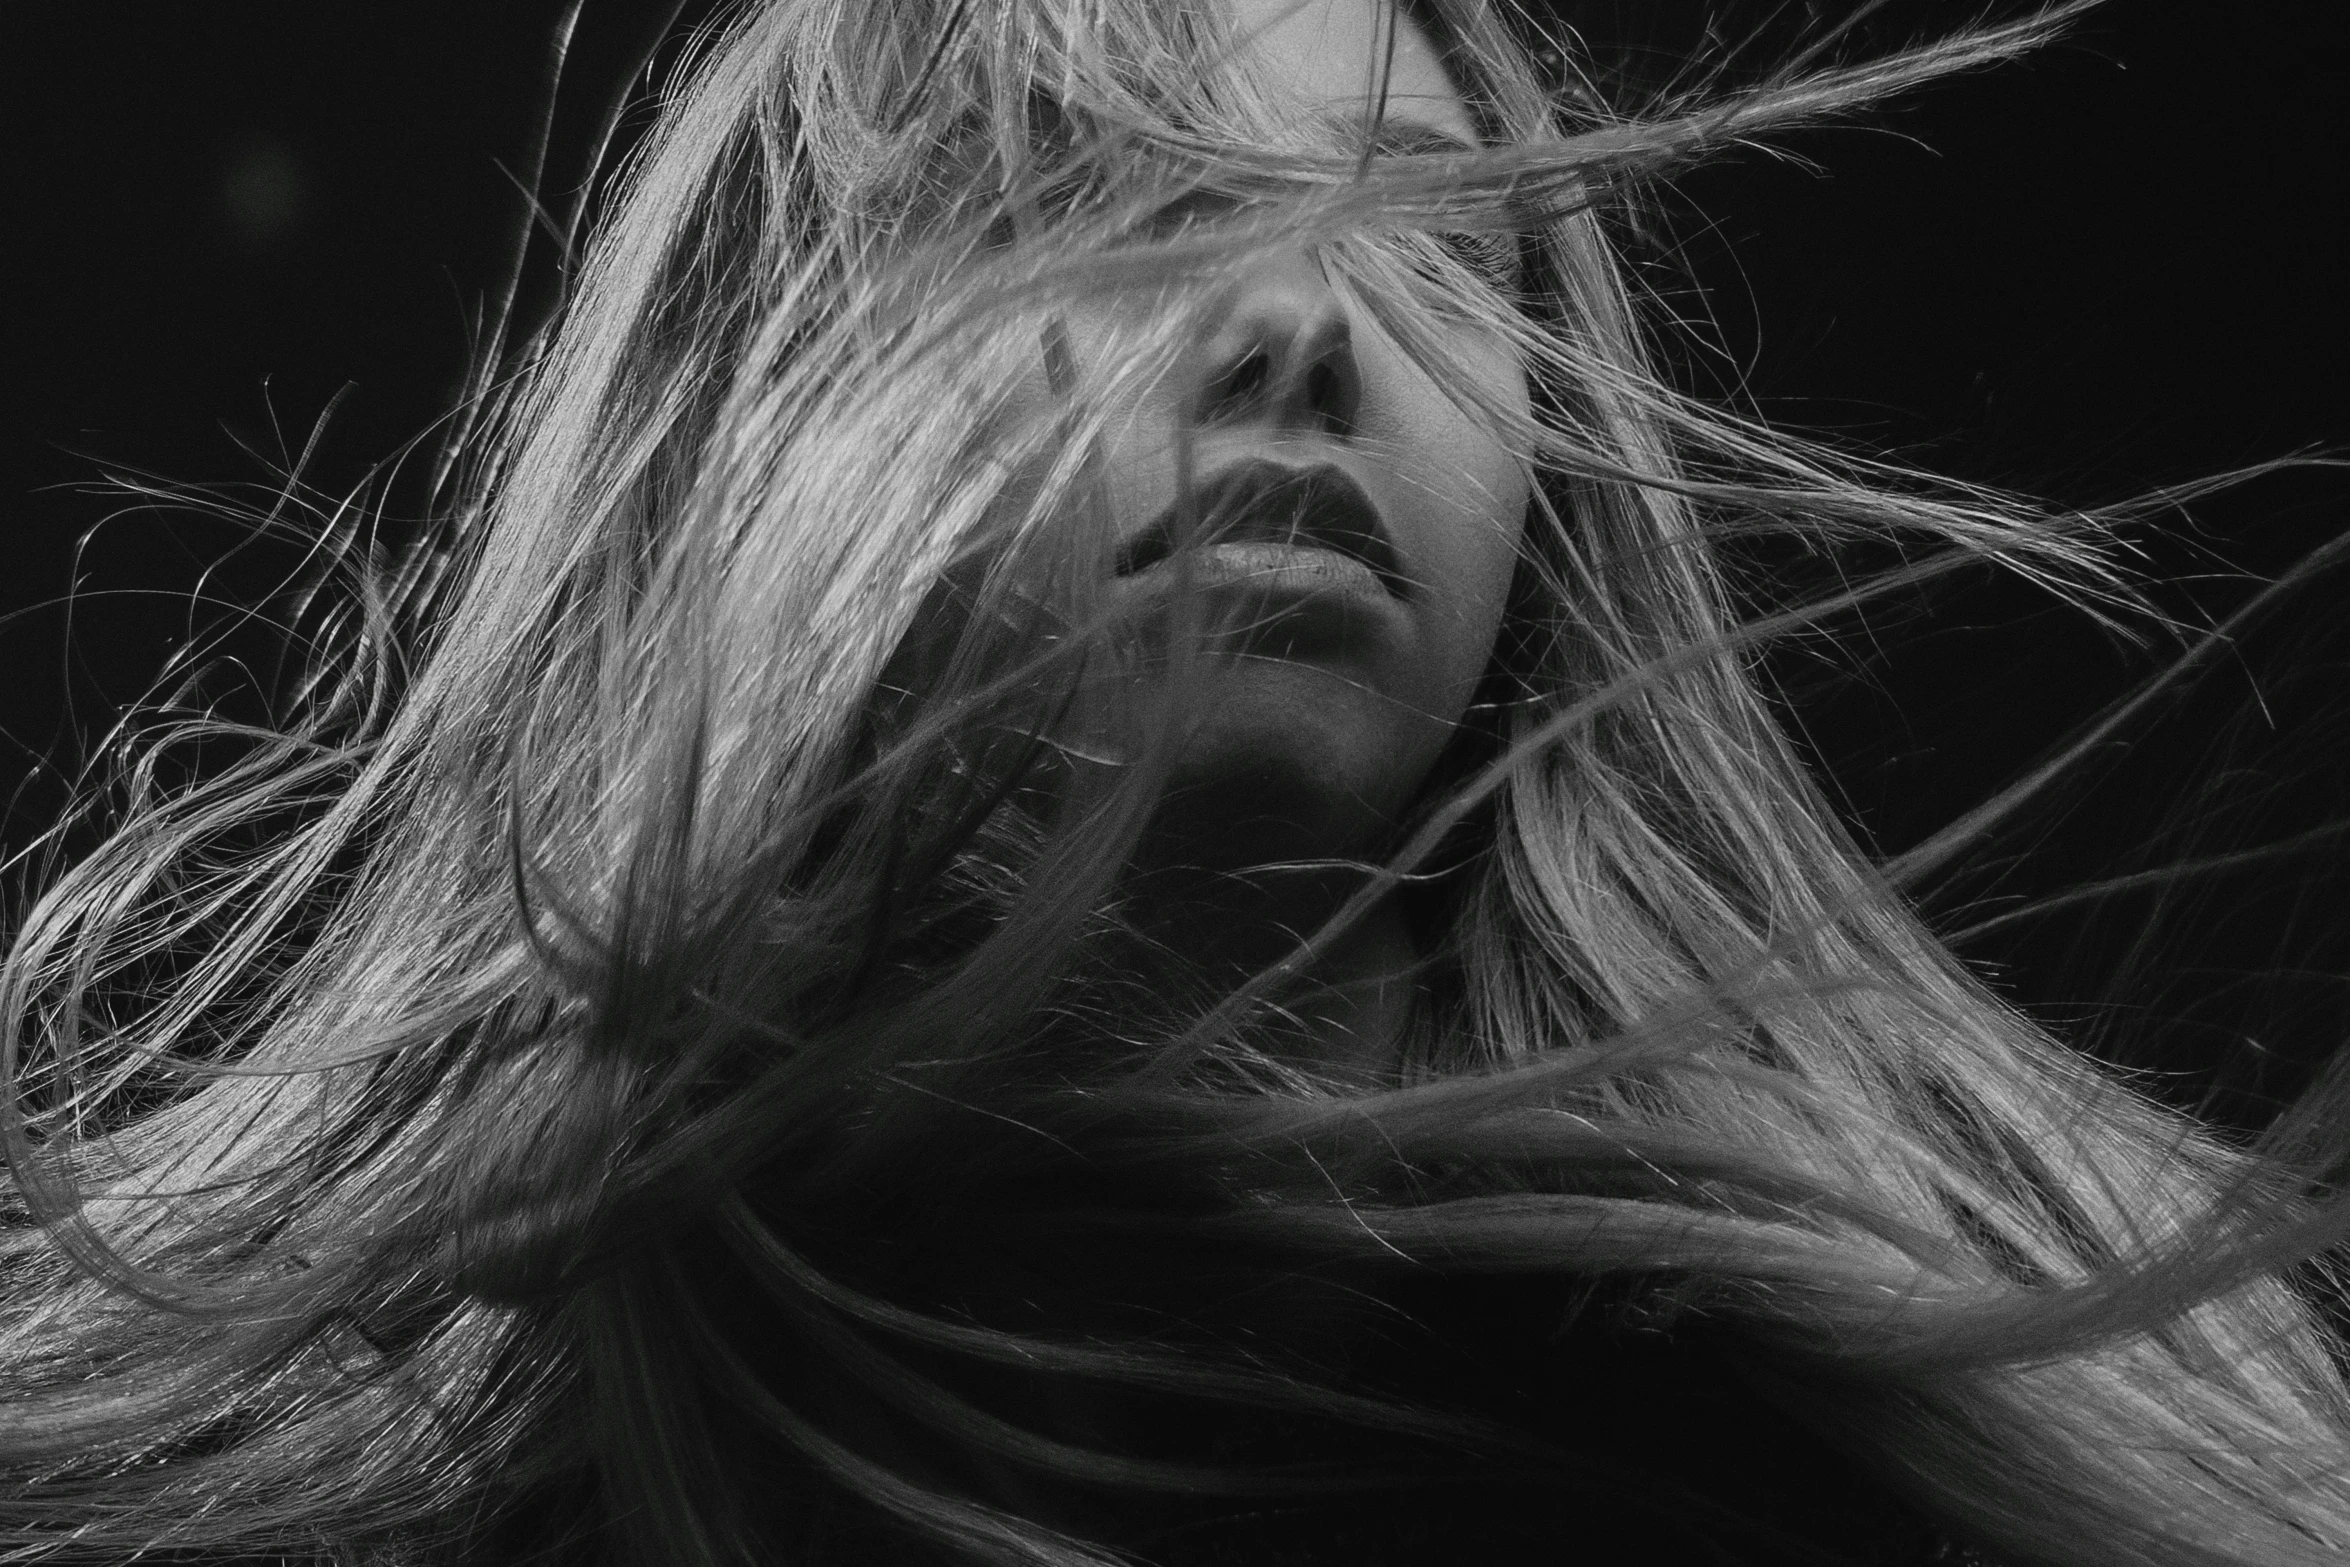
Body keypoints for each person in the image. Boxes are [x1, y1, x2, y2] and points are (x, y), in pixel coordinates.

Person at [5, 1, 2348, 1563]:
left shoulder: (1873, 1429)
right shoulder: (443, 1463)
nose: (1297, 323)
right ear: (780, 389)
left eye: (1433, 234)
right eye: (1120, 205)